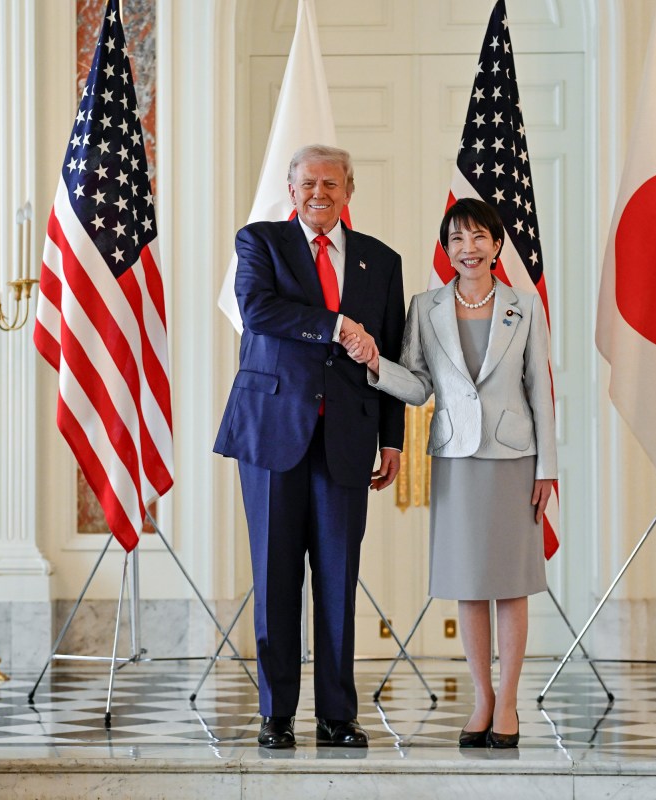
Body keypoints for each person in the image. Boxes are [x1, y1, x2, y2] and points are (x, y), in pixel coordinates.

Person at [342, 198, 556, 749]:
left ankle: (508, 702)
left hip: (513, 461)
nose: (468, 248)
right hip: (457, 460)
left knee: (510, 586)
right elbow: (417, 386)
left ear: (497, 244)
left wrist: (547, 469)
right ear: (446, 247)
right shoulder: (426, 307)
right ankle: (481, 699)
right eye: (457, 239)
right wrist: (373, 363)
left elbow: (541, 393)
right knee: (467, 582)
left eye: (479, 237)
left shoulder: (524, 306)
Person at [214, 144, 405, 749]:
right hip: (272, 432)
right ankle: (275, 715)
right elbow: (258, 309)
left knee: (337, 579)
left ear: (349, 190)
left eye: (331, 183)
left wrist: (393, 439)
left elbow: (391, 355)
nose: (319, 193)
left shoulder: (382, 260)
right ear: (291, 191)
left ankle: (336, 715)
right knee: (274, 577)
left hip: (348, 437)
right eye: (308, 184)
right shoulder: (260, 242)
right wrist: (337, 326)